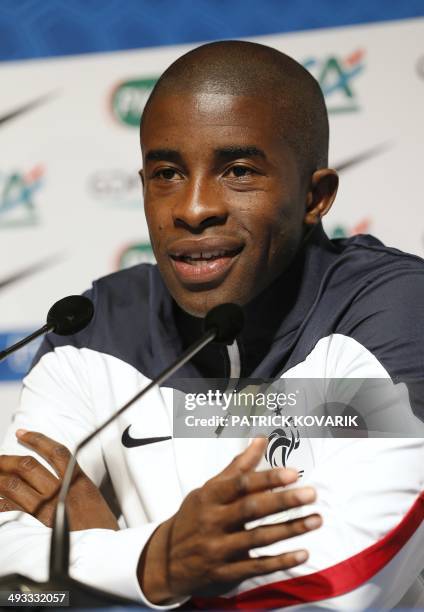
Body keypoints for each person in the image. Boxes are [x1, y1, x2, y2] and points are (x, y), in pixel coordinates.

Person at [0, 40, 423, 610]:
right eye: (167, 172)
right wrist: (151, 564)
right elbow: (14, 592)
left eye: (239, 170)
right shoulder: (94, 325)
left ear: (314, 197)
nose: (193, 208)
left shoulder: (390, 308)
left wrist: (122, 567)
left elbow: (343, 586)